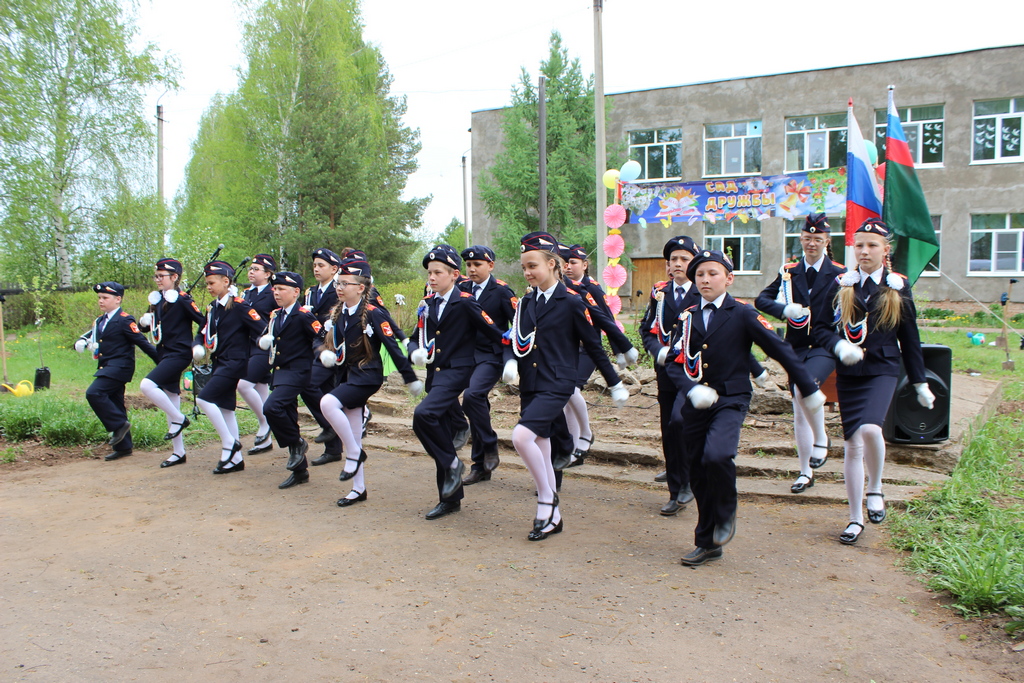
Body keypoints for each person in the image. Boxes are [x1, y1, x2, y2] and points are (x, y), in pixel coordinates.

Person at [665, 250, 826, 566]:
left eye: (713, 273)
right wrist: (691, 389)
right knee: (697, 469)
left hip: (731, 399)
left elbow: (779, 349)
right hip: (697, 404)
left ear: (729, 278)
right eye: (700, 275)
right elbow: (673, 363)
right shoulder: (687, 317)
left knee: (718, 455)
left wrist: (808, 388)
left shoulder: (743, 314)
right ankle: (707, 542)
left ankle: (726, 513)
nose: (706, 279)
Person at [503, 232, 630, 541]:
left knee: (520, 437)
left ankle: (547, 498)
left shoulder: (571, 301)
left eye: (533, 265)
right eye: (524, 267)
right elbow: (514, 337)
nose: (528, 272)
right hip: (531, 382)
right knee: (542, 446)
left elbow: (593, 345)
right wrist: (509, 360)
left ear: (552, 264)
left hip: (558, 383)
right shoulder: (527, 301)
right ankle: (552, 518)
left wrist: (614, 382)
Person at [814, 218, 933, 545]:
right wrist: (838, 345)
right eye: (859, 245)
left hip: (883, 368)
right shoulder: (841, 283)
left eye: (872, 245)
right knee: (851, 446)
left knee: (870, 429)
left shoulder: (897, 286)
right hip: (850, 374)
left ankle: (876, 487)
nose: (864, 251)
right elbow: (820, 328)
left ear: (885, 249)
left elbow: (910, 338)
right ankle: (855, 518)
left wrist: (920, 382)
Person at [407, 245, 503, 520]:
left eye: (438, 272)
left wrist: (511, 357)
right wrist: (414, 348)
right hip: (436, 375)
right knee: (441, 433)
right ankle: (450, 499)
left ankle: (452, 463)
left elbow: (494, 333)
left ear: (454, 275)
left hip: (459, 372)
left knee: (423, 415)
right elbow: (417, 335)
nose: (432, 277)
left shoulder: (465, 301)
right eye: (429, 273)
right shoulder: (428, 303)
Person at [318, 256, 422, 505]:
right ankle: (358, 488)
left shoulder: (374, 314)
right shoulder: (339, 313)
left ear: (361, 288)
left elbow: (392, 346)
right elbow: (321, 338)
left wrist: (409, 377)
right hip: (348, 376)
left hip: (367, 376)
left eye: (345, 283)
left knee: (327, 404)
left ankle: (354, 453)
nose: (339, 288)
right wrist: (323, 352)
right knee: (353, 429)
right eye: (338, 284)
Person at [756, 213, 847, 494]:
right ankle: (805, 472)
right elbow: (762, 299)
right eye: (807, 238)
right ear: (801, 239)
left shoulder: (840, 273)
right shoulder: (789, 272)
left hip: (823, 345)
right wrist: (783, 310)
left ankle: (822, 439)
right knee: (798, 411)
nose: (811, 244)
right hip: (796, 346)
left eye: (817, 240)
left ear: (827, 242)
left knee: (803, 390)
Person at [639, 236, 703, 514]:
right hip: (666, 371)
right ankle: (676, 490)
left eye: (684, 259)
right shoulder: (659, 292)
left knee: (680, 422)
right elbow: (647, 329)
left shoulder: (702, 291)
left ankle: (689, 480)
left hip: (693, 372)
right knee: (668, 429)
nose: (678, 264)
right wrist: (658, 351)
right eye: (673, 259)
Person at [560, 244, 638, 468]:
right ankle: (574, 447)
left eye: (573, 262)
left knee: (571, 390)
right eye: (566, 263)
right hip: (568, 350)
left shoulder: (592, 288)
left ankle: (585, 433)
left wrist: (619, 351)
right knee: (566, 400)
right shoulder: (561, 287)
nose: (569, 267)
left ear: (584, 265)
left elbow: (606, 320)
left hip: (587, 349)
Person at [191, 261, 266, 474]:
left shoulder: (240, 305)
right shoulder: (212, 308)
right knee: (226, 409)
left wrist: (261, 350)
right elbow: (201, 332)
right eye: (206, 283)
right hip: (219, 362)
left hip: (235, 362)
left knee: (203, 399)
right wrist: (196, 345)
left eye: (212, 282)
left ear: (226, 281)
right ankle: (236, 460)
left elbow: (262, 329)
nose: (208, 286)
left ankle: (229, 443)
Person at [75, 282, 158, 461]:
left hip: (120, 367)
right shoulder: (100, 320)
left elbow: (142, 342)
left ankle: (119, 425)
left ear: (118, 299)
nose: (101, 301)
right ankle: (124, 447)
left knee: (94, 393)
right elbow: (94, 334)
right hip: (106, 367)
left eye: (105, 298)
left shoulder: (124, 319)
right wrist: (83, 341)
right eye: (99, 298)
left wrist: (163, 362)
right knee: (115, 402)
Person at [457, 245, 518, 486]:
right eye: (468, 265)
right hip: (465, 356)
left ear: (490, 265)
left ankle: (490, 444)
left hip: (491, 355)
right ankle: (480, 466)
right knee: (475, 404)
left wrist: (511, 358)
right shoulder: (461, 289)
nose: (471, 269)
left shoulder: (502, 292)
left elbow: (518, 325)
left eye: (477, 265)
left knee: (472, 397)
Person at [137, 258, 206, 467]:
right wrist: (143, 323)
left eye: (161, 276)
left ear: (174, 277)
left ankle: (180, 418)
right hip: (164, 353)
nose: (157, 280)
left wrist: (197, 343)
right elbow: (150, 328)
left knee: (147, 385)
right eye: (156, 276)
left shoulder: (183, 299)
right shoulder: (157, 300)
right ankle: (178, 452)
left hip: (179, 354)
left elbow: (203, 321)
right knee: (170, 396)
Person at [257, 271, 324, 489]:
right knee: (287, 415)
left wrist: (321, 354)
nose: (276, 292)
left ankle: (297, 443)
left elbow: (320, 336)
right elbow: (271, 338)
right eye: (275, 289)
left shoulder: (303, 315)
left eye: (282, 289)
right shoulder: (276, 315)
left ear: (296, 292)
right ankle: (300, 471)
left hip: (297, 373)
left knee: (271, 407)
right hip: (279, 372)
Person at [300, 248, 344, 467]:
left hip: (333, 348)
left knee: (307, 383)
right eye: (315, 265)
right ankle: (334, 448)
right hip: (314, 347)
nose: (316, 269)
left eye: (321, 265)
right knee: (325, 393)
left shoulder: (339, 289)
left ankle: (328, 424)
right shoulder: (311, 292)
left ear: (334, 269)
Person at [239, 254, 277, 455]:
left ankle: (266, 422)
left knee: (244, 385)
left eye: (256, 269)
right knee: (261, 389)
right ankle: (265, 442)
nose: (251, 272)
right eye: (250, 269)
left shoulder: (273, 294)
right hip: (247, 346)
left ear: (268, 274)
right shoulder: (246, 294)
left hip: (265, 347)